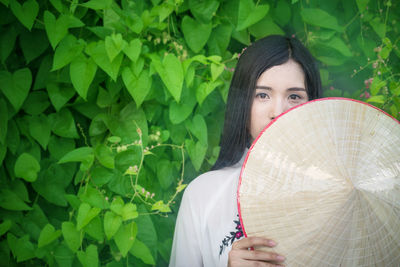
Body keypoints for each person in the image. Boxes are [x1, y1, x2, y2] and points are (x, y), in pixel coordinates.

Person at [169, 35, 323, 267]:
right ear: (243, 103)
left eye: (294, 96)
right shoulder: (202, 195)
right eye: (262, 95)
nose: (277, 112)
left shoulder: (339, 194)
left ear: (313, 105)